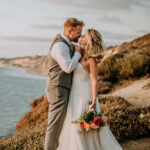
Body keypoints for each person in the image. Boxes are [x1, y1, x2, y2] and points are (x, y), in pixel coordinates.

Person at [56, 29, 123, 150]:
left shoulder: (92, 59)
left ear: (89, 41)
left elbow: (94, 80)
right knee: (73, 122)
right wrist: (58, 37)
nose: (81, 37)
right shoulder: (80, 53)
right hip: (74, 94)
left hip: (85, 94)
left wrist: (93, 99)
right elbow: (66, 42)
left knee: (81, 123)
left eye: (84, 36)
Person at [44, 18, 85, 150]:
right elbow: (67, 67)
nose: (80, 35)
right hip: (58, 89)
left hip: (62, 88)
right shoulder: (60, 45)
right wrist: (78, 54)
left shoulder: (65, 43)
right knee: (55, 126)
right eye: (79, 32)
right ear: (69, 31)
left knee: (59, 125)